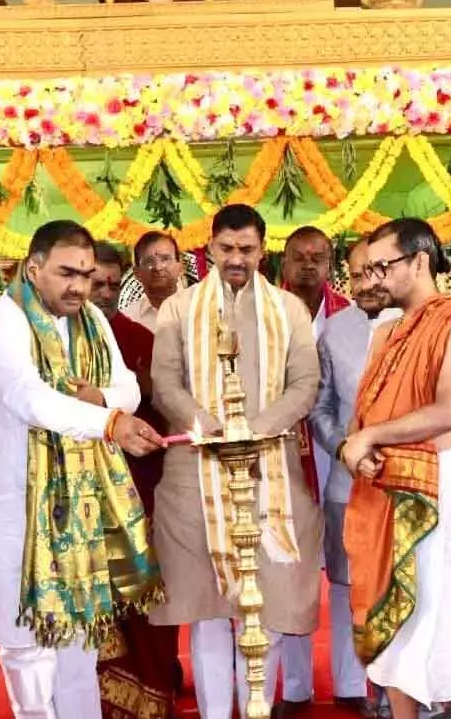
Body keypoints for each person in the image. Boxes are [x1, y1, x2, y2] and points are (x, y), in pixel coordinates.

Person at [0, 220, 164, 719]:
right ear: (34, 268)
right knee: (28, 651)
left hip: (79, 508)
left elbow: (129, 389)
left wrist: (103, 400)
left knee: (80, 644)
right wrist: (109, 422)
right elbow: (29, 398)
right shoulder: (2, 320)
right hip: (17, 504)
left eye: (86, 273)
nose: (78, 285)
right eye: (66, 273)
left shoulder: (92, 321)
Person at [339, 218, 451, 719]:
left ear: (420, 261)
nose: (374, 279)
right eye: (369, 268)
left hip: (447, 483)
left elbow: (447, 410)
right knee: (402, 626)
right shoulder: (386, 333)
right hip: (387, 488)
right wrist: (355, 449)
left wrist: (370, 437)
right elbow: (362, 418)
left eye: (383, 267)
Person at [149, 204, 322, 719]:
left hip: (272, 469)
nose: (236, 259)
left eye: (247, 249)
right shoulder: (178, 310)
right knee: (206, 610)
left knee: (266, 605)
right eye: (226, 249)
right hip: (195, 471)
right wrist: (219, 432)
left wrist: (258, 430)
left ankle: (258, 711)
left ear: (262, 250)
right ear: (209, 249)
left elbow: (305, 383)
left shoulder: (289, 310)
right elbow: (164, 383)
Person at [307, 239, 400, 717]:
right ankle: (353, 687)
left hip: (408, 483)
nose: (366, 283)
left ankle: (402, 691)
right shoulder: (335, 332)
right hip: (347, 485)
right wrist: (344, 450)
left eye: (375, 272)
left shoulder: (422, 325)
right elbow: (320, 407)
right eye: (357, 273)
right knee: (347, 590)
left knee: (404, 587)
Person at [90, 236, 182, 718]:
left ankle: (152, 697)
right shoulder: (56, 343)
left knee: (147, 606)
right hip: (82, 501)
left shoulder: (144, 341)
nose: (103, 292)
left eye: (110, 283)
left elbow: (166, 418)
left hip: (141, 493)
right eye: (94, 282)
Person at [275, 225, 351, 716]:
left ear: (330, 264)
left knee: (346, 577)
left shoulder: (351, 316)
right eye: (299, 256)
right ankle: (296, 689)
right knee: (292, 576)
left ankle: (352, 686)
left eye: (318, 257)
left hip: (342, 458)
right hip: (286, 460)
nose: (308, 265)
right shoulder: (264, 314)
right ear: (282, 263)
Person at [122, 231, 181, 333]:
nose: (158, 267)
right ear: (137, 273)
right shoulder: (127, 320)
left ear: (180, 267)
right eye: (149, 261)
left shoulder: (202, 310)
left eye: (166, 259)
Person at [89, 242, 126, 319]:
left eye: (114, 286)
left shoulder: (134, 331)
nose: (107, 295)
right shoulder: (59, 327)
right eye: (98, 285)